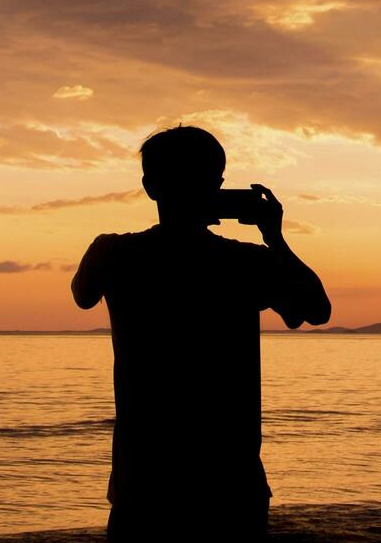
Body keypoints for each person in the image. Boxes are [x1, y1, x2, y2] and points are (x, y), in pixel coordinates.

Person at [71, 125, 331, 540]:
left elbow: (82, 295)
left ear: (150, 186)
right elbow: (316, 310)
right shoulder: (247, 263)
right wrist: (275, 238)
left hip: (144, 485)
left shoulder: (113, 253)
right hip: (230, 485)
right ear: (218, 186)